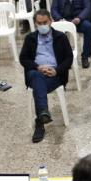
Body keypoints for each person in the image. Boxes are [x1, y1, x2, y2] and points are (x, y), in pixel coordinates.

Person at [19, 10, 74, 143]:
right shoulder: (30, 38)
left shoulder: (60, 37)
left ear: (50, 21)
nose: (43, 25)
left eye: (45, 22)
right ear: (35, 23)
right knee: (36, 76)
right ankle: (42, 113)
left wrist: (56, 70)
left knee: (37, 82)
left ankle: (40, 121)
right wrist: (37, 67)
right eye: (39, 23)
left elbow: (69, 58)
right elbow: (23, 58)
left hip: (55, 75)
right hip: (37, 72)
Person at [51, 0, 91, 68]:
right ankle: (64, 57)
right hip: (63, 20)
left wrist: (79, 18)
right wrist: (59, 19)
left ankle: (85, 56)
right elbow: (53, 9)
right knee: (53, 31)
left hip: (77, 20)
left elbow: (87, 8)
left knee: (89, 27)